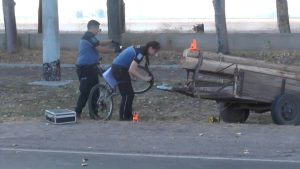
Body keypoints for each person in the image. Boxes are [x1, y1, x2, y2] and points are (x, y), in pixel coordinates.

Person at [75, 20, 116, 120]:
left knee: (95, 91)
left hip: (92, 67)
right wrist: (114, 50)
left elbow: (99, 43)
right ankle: (77, 112)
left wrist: (111, 41)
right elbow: (100, 48)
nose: (98, 31)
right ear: (93, 28)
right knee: (85, 91)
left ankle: (94, 113)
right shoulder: (88, 37)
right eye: (98, 29)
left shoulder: (90, 38)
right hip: (85, 68)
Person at [112, 41, 160, 121]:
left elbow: (132, 64)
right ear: (151, 48)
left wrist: (132, 75)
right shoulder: (140, 53)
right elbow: (131, 69)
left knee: (130, 94)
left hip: (121, 68)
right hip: (119, 69)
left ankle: (129, 116)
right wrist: (144, 78)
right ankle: (123, 117)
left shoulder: (141, 49)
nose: (155, 54)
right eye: (155, 52)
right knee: (127, 95)